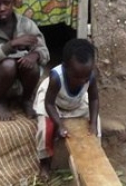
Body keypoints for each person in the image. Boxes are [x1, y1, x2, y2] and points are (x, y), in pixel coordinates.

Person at [34, 38, 100, 180]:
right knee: (45, 129)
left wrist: (93, 123)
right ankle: (45, 163)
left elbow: (94, 99)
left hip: (76, 103)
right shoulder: (56, 77)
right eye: (77, 76)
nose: (82, 81)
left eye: (86, 77)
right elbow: (49, 104)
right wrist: (59, 125)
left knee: (95, 121)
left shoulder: (90, 77)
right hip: (53, 104)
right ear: (65, 68)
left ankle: (94, 157)